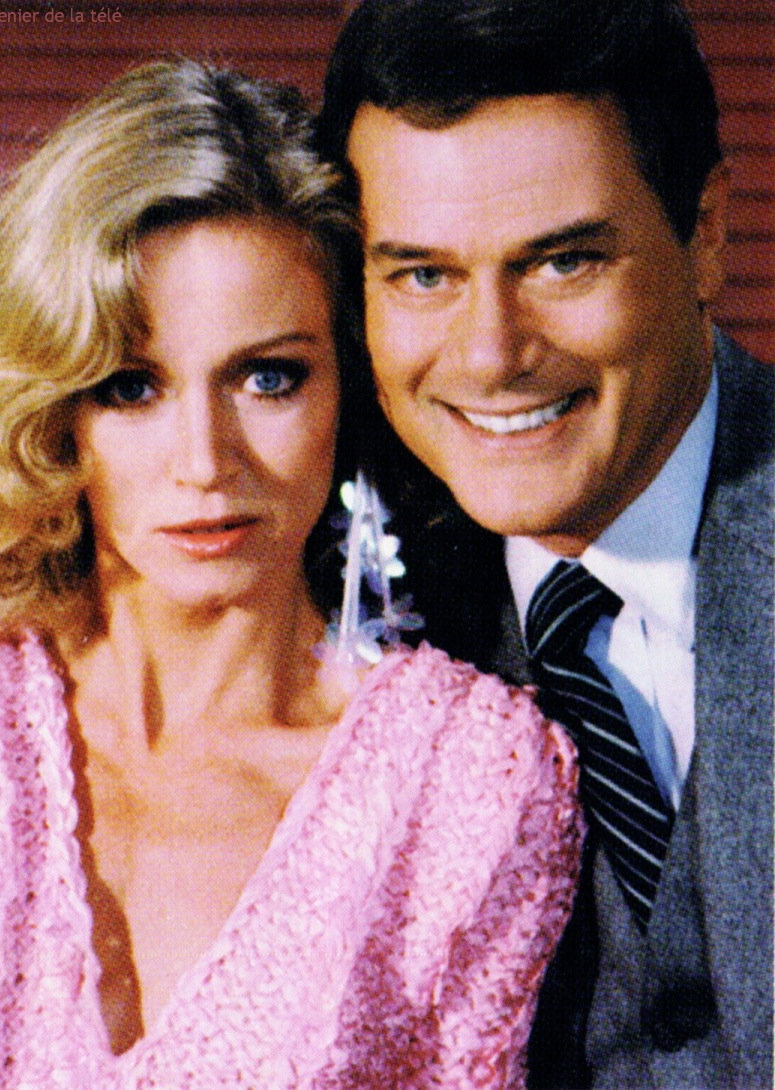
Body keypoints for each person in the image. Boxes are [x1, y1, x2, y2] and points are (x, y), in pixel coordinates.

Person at [0, 59, 583, 1088]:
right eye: (131, 386)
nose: (206, 460)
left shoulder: (464, 783)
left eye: (268, 377)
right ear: (51, 404)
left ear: (352, 387)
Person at [317, 1, 774, 1087]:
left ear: (706, 233)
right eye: (422, 275)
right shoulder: (327, 593)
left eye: (564, 263)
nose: (491, 354)